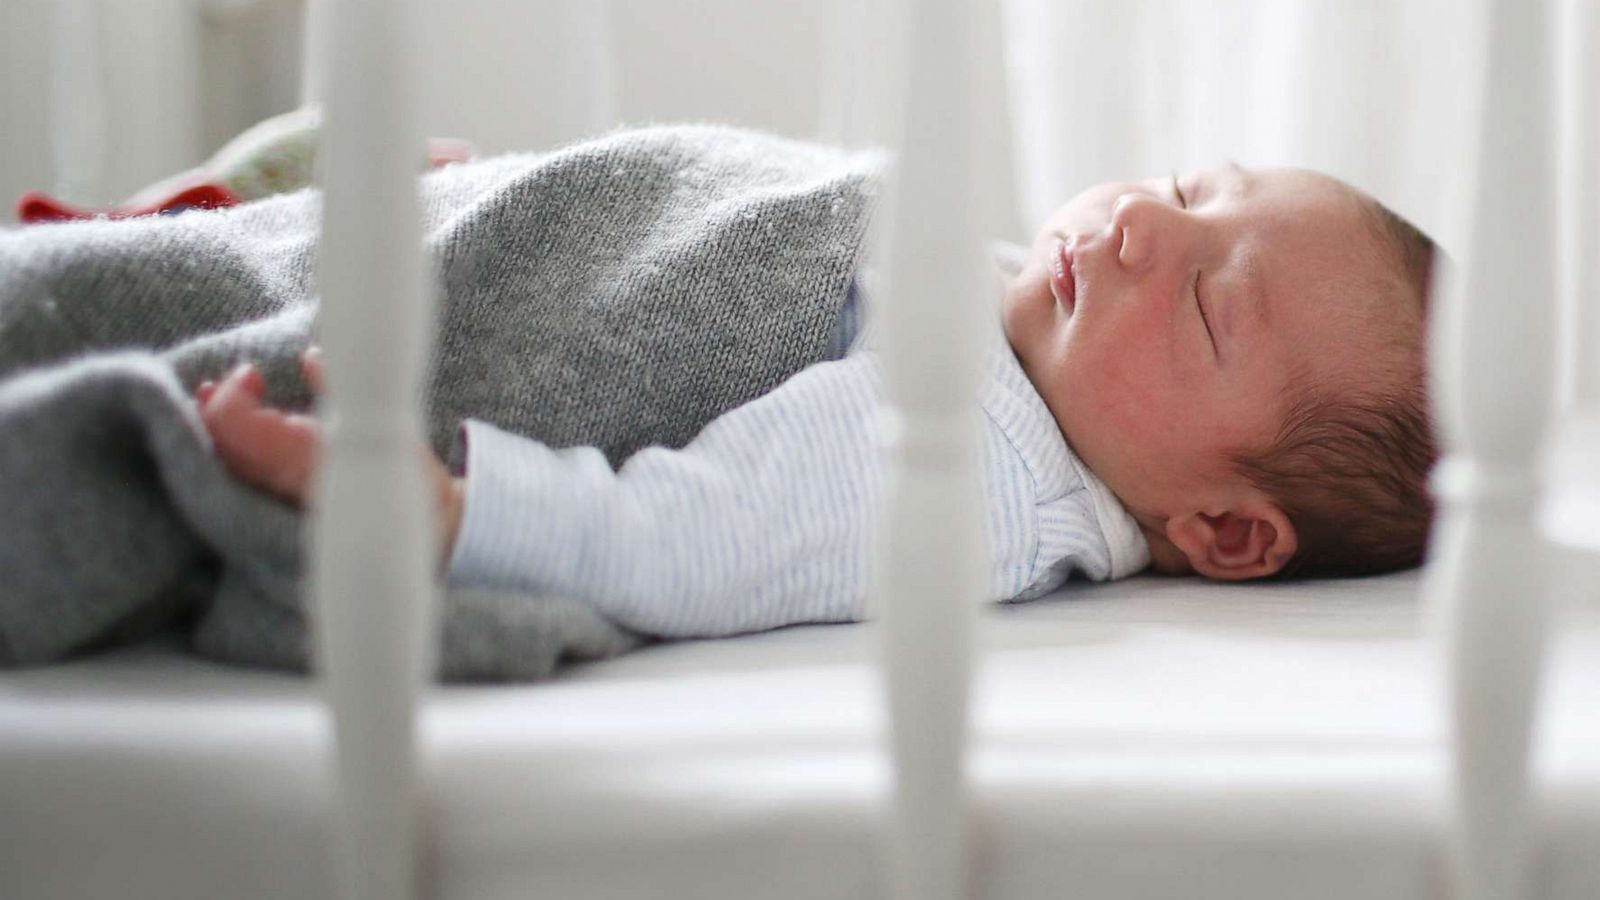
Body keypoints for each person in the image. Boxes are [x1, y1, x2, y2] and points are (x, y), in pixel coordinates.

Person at [193, 161, 1437, 639]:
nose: (1143, 226)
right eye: (1189, 183)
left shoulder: (982, 467)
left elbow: (692, 539)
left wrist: (457, 511)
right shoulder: (1026, 332)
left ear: (1224, 531)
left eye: (1208, 304)